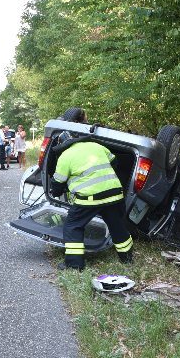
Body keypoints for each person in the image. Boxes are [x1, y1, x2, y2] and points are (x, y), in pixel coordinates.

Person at [50, 107, 133, 270]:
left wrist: (57, 191)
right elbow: (115, 163)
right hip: (115, 194)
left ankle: (74, 265)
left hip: (90, 198)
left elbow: (58, 183)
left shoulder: (65, 156)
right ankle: (127, 259)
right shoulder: (96, 146)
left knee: (73, 226)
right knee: (117, 226)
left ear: (62, 146)